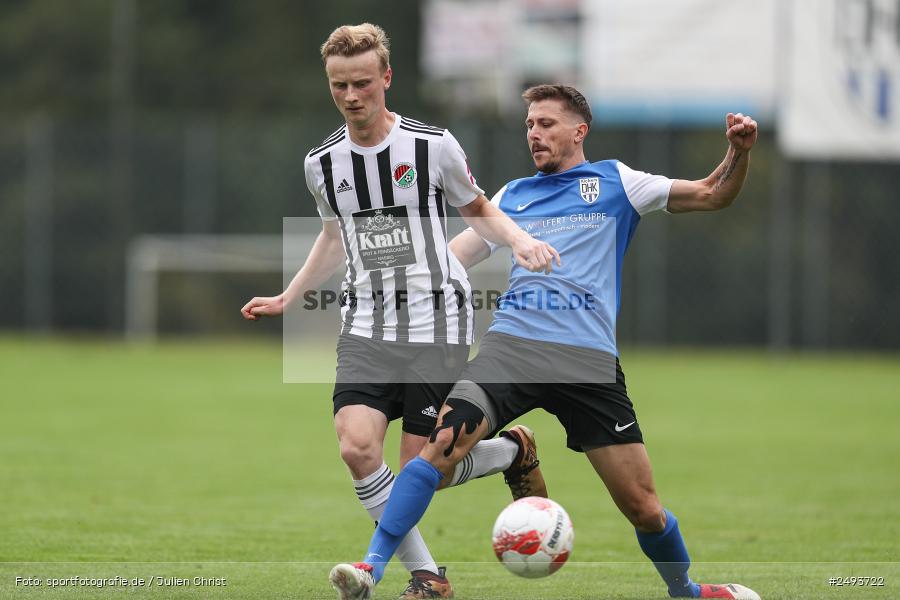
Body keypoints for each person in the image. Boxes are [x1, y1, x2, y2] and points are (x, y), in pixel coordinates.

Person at [329, 85, 762, 600]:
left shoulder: (618, 182)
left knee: (643, 508)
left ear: (580, 131)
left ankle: (686, 591)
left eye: (547, 124)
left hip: (587, 362)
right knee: (438, 449)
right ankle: (372, 567)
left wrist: (738, 152)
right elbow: (450, 260)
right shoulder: (511, 197)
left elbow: (713, 193)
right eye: (530, 125)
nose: (534, 133)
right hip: (511, 349)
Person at [240, 24, 559, 600]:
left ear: (386, 77)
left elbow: (477, 208)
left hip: (437, 322)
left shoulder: (432, 146)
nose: (351, 96)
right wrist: (289, 295)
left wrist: (518, 241)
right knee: (356, 447)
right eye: (339, 85)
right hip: (365, 323)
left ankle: (511, 451)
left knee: (423, 470)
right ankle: (428, 577)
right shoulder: (322, 163)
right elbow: (334, 237)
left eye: (362, 83)